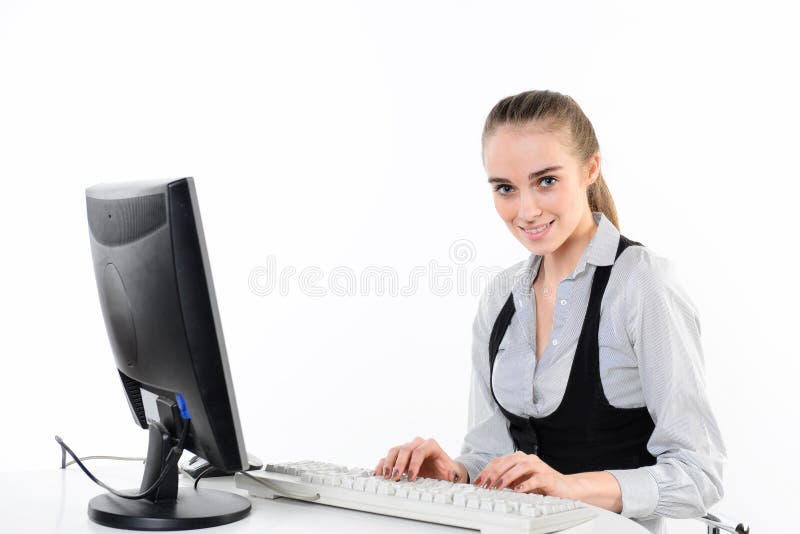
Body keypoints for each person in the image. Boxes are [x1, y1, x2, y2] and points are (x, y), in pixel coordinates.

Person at [374, 90, 726, 534]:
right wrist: (454, 475)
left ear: (590, 169)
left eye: (546, 181)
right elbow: (488, 451)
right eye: (506, 188)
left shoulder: (641, 285)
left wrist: (571, 487)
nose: (526, 211)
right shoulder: (501, 296)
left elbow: (699, 474)